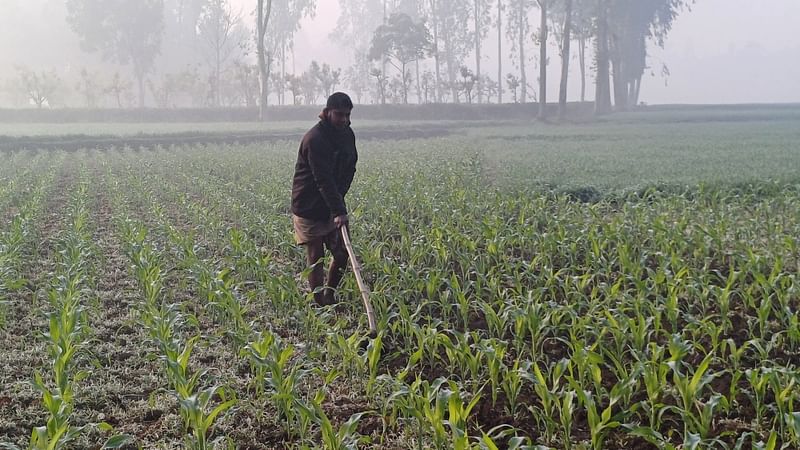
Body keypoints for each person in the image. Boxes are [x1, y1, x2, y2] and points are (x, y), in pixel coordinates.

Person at [291, 92, 358, 306]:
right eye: (339, 115)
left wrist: (338, 204)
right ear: (327, 112)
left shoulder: (347, 134)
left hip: (331, 203)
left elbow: (350, 168)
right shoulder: (315, 139)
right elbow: (323, 179)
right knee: (316, 256)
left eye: (347, 115)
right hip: (308, 205)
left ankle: (330, 294)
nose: (344, 120)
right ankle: (319, 302)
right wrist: (339, 211)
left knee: (341, 254)